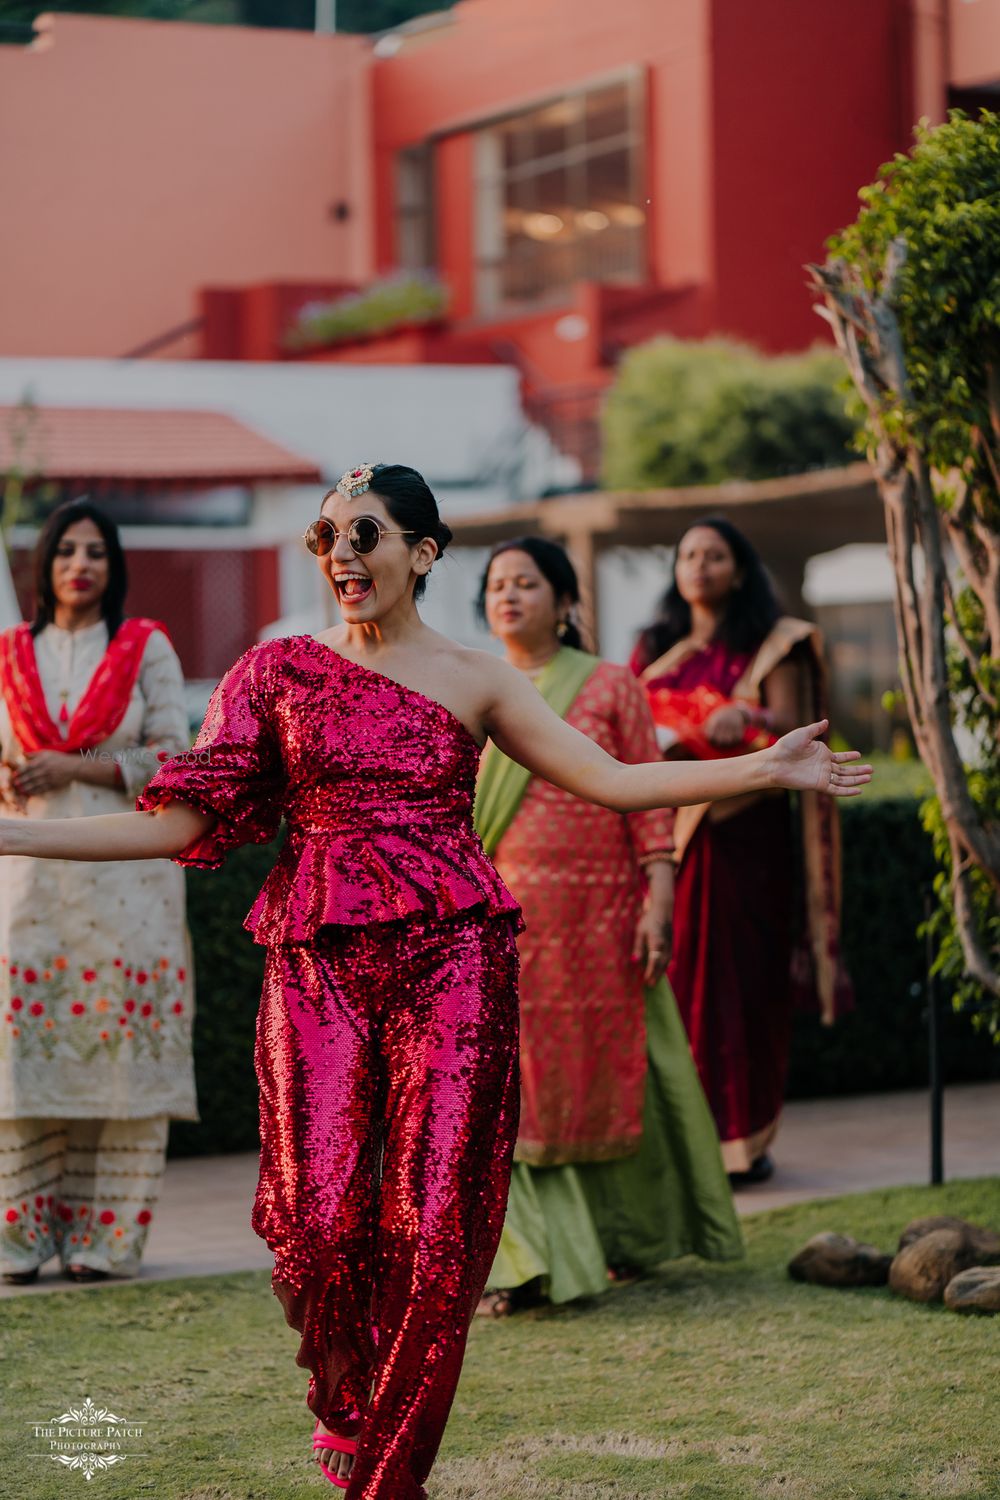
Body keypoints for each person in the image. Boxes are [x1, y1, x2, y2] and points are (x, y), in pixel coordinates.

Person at [0, 465, 871, 1498]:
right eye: (326, 539)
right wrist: (11, 832)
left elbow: (613, 780)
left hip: (454, 960)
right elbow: (178, 823)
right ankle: (344, 1399)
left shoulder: (477, 678)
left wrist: (758, 768)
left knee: (438, 1232)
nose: (342, 557)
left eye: (364, 535)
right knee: (314, 1225)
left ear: (421, 552)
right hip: (318, 961)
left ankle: (391, 1478)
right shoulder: (273, 673)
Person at [474, 537, 743, 1313]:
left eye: (527, 583)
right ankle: (524, 1260)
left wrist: (659, 897)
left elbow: (647, 795)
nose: (510, 596)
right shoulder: (465, 686)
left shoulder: (611, 685)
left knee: (611, 1077)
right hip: (499, 922)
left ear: (565, 601)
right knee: (509, 1085)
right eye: (497, 585)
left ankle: (626, 1237)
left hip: (600, 920)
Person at [0, 498, 196, 1286]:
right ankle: (18, 1242)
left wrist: (76, 766)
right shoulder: (10, 653)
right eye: (66, 551)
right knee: (22, 1058)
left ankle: (104, 1244)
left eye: (97, 553)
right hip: (28, 878)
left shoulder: (146, 646)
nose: (81, 565)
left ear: (115, 568)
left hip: (129, 880)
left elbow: (178, 758)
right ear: (44, 567)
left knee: (121, 1062)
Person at [631, 517, 852, 1186]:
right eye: (689, 554)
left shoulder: (773, 643)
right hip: (669, 833)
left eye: (715, 555)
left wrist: (749, 718)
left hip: (743, 835)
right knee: (673, 984)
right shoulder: (657, 648)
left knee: (740, 988)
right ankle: (678, 1144)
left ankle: (741, 1143)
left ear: (738, 569)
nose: (699, 565)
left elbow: (796, 725)